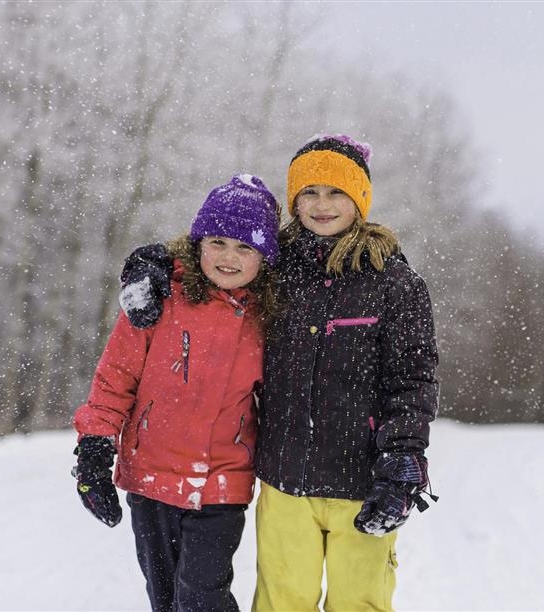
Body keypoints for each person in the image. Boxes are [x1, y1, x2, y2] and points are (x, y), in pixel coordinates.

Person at [119, 134, 439, 611]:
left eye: (336, 192)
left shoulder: (395, 282)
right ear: (294, 200)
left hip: (363, 477)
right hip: (285, 476)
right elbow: (217, 257)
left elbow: (413, 380)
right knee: (282, 600)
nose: (321, 204)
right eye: (309, 192)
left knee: (361, 601)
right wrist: (156, 261)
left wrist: (402, 463)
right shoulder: (278, 267)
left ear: (361, 199)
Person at [72, 174, 281, 612]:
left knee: (202, 598)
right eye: (219, 242)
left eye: (245, 247)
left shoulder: (270, 316)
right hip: (151, 475)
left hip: (222, 481)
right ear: (198, 242)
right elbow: (115, 379)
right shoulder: (157, 298)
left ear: (264, 257)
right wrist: (93, 452)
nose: (229, 257)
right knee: (165, 600)